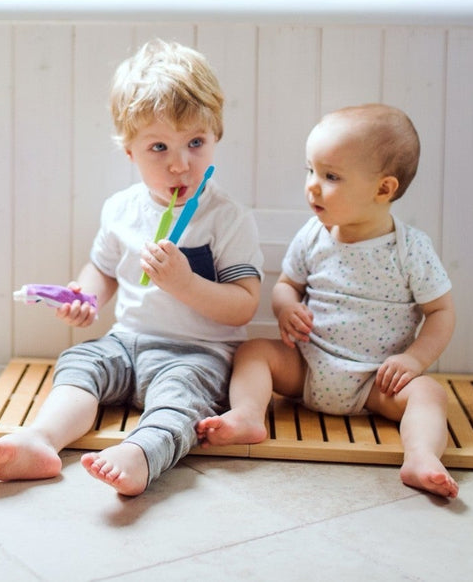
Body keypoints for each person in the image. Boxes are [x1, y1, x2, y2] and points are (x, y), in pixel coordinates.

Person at [0, 39, 263, 496]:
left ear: (215, 137)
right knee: (81, 362)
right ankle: (41, 439)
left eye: (195, 142)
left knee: (181, 399)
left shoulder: (228, 218)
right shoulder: (121, 210)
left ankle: (142, 452)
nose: (180, 163)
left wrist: (184, 282)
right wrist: (86, 297)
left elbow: (243, 307)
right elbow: (103, 268)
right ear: (130, 153)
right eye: (158, 147)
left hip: (198, 353)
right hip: (127, 343)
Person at [196, 104, 459, 499]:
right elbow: (286, 284)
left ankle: (421, 457)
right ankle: (248, 416)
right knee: (252, 352)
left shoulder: (410, 249)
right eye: (311, 170)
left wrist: (415, 360)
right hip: (307, 367)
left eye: (331, 176)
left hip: (375, 381)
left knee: (429, 394)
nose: (313, 186)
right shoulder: (313, 235)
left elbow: (441, 312)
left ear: (383, 189)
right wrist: (286, 308)